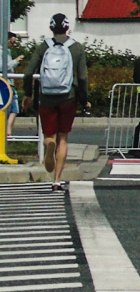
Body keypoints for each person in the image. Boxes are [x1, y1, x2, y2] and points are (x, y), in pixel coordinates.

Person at [22, 14, 90, 191]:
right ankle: (57, 181)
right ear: (67, 28)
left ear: (51, 28)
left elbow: (29, 73)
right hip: (68, 97)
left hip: (46, 97)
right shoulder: (76, 48)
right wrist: (85, 99)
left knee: (49, 135)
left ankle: (48, 146)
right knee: (63, 138)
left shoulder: (44, 47)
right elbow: (82, 77)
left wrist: (28, 94)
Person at [1, 33, 23, 164]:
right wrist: (15, 61)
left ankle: (8, 131)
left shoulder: (7, 51)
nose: (13, 44)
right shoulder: (1, 52)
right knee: (9, 109)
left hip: (9, 84)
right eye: (12, 42)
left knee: (14, 109)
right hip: (5, 85)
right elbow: (3, 67)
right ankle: (7, 133)